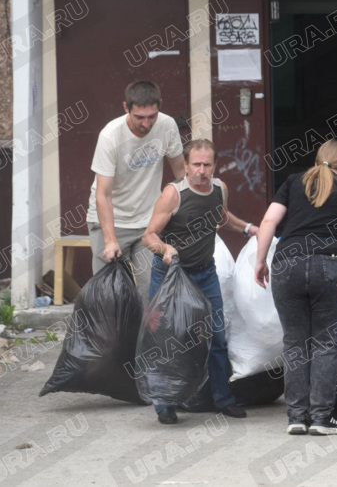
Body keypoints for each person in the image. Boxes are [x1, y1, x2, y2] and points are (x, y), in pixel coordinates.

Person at [254, 139, 337, 436]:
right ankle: (320, 420)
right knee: (326, 345)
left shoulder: (293, 182)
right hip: (331, 266)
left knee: (295, 343)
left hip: (287, 264)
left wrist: (260, 260)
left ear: (317, 161)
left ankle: (296, 417)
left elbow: (269, 220)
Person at [142, 139, 259, 425]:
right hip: (171, 275)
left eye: (207, 165)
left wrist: (247, 228)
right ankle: (165, 404)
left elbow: (221, 218)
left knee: (217, 337)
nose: (202, 171)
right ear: (185, 166)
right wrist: (165, 249)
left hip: (205, 274)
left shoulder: (220, 189)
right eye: (196, 165)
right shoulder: (173, 194)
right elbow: (149, 235)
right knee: (168, 339)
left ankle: (223, 399)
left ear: (214, 165)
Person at [86, 81, 186, 305]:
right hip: (112, 219)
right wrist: (110, 240)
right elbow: (103, 194)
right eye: (140, 117)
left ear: (159, 107)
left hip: (147, 222)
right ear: (126, 108)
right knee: (108, 296)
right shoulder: (110, 136)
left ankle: (146, 340)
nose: (146, 123)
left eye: (152, 116)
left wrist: (187, 210)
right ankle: (110, 340)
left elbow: (180, 171)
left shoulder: (167, 125)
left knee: (151, 292)